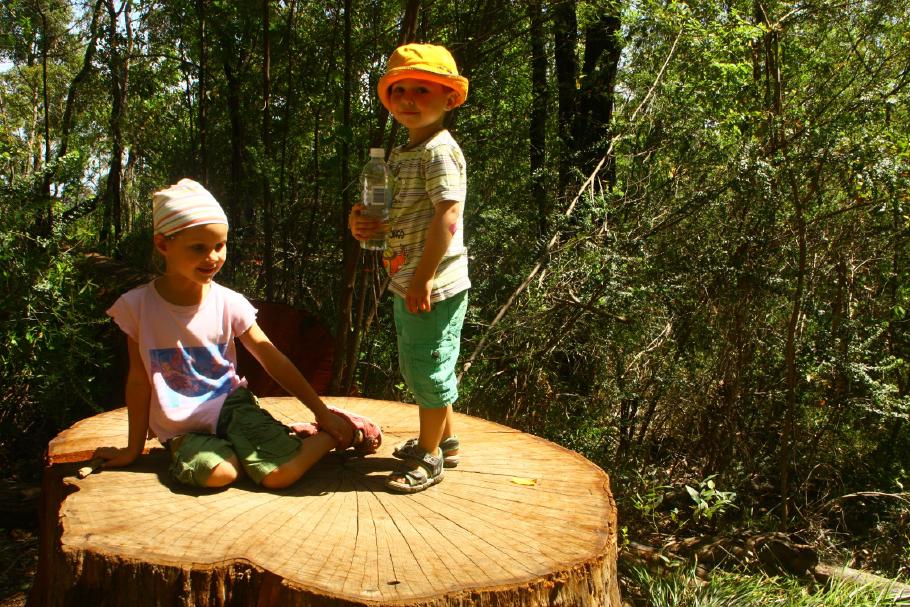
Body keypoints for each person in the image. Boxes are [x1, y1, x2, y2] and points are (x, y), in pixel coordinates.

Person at [94, 178, 381, 489]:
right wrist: (132, 450)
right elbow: (138, 381)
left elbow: (273, 360)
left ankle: (337, 431)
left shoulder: (228, 303)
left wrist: (321, 413)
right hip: (182, 427)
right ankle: (278, 441)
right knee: (218, 474)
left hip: (230, 407)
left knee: (277, 475)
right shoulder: (136, 307)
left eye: (220, 245)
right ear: (163, 244)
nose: (213, 257)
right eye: (198, 248)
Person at [349, 43, 470, 493]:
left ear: (449, 99)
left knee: (427, 367)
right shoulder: (404, 154)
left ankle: (430, 453)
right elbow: (391, 212)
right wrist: (360, 221)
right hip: (410, 280)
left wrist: (423, 278)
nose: (409, 100)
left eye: (423, 89)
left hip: (432, 283)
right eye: (400, 90)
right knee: (430, 361)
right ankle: (448, 440)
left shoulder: (439, 150)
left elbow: (448, 217)